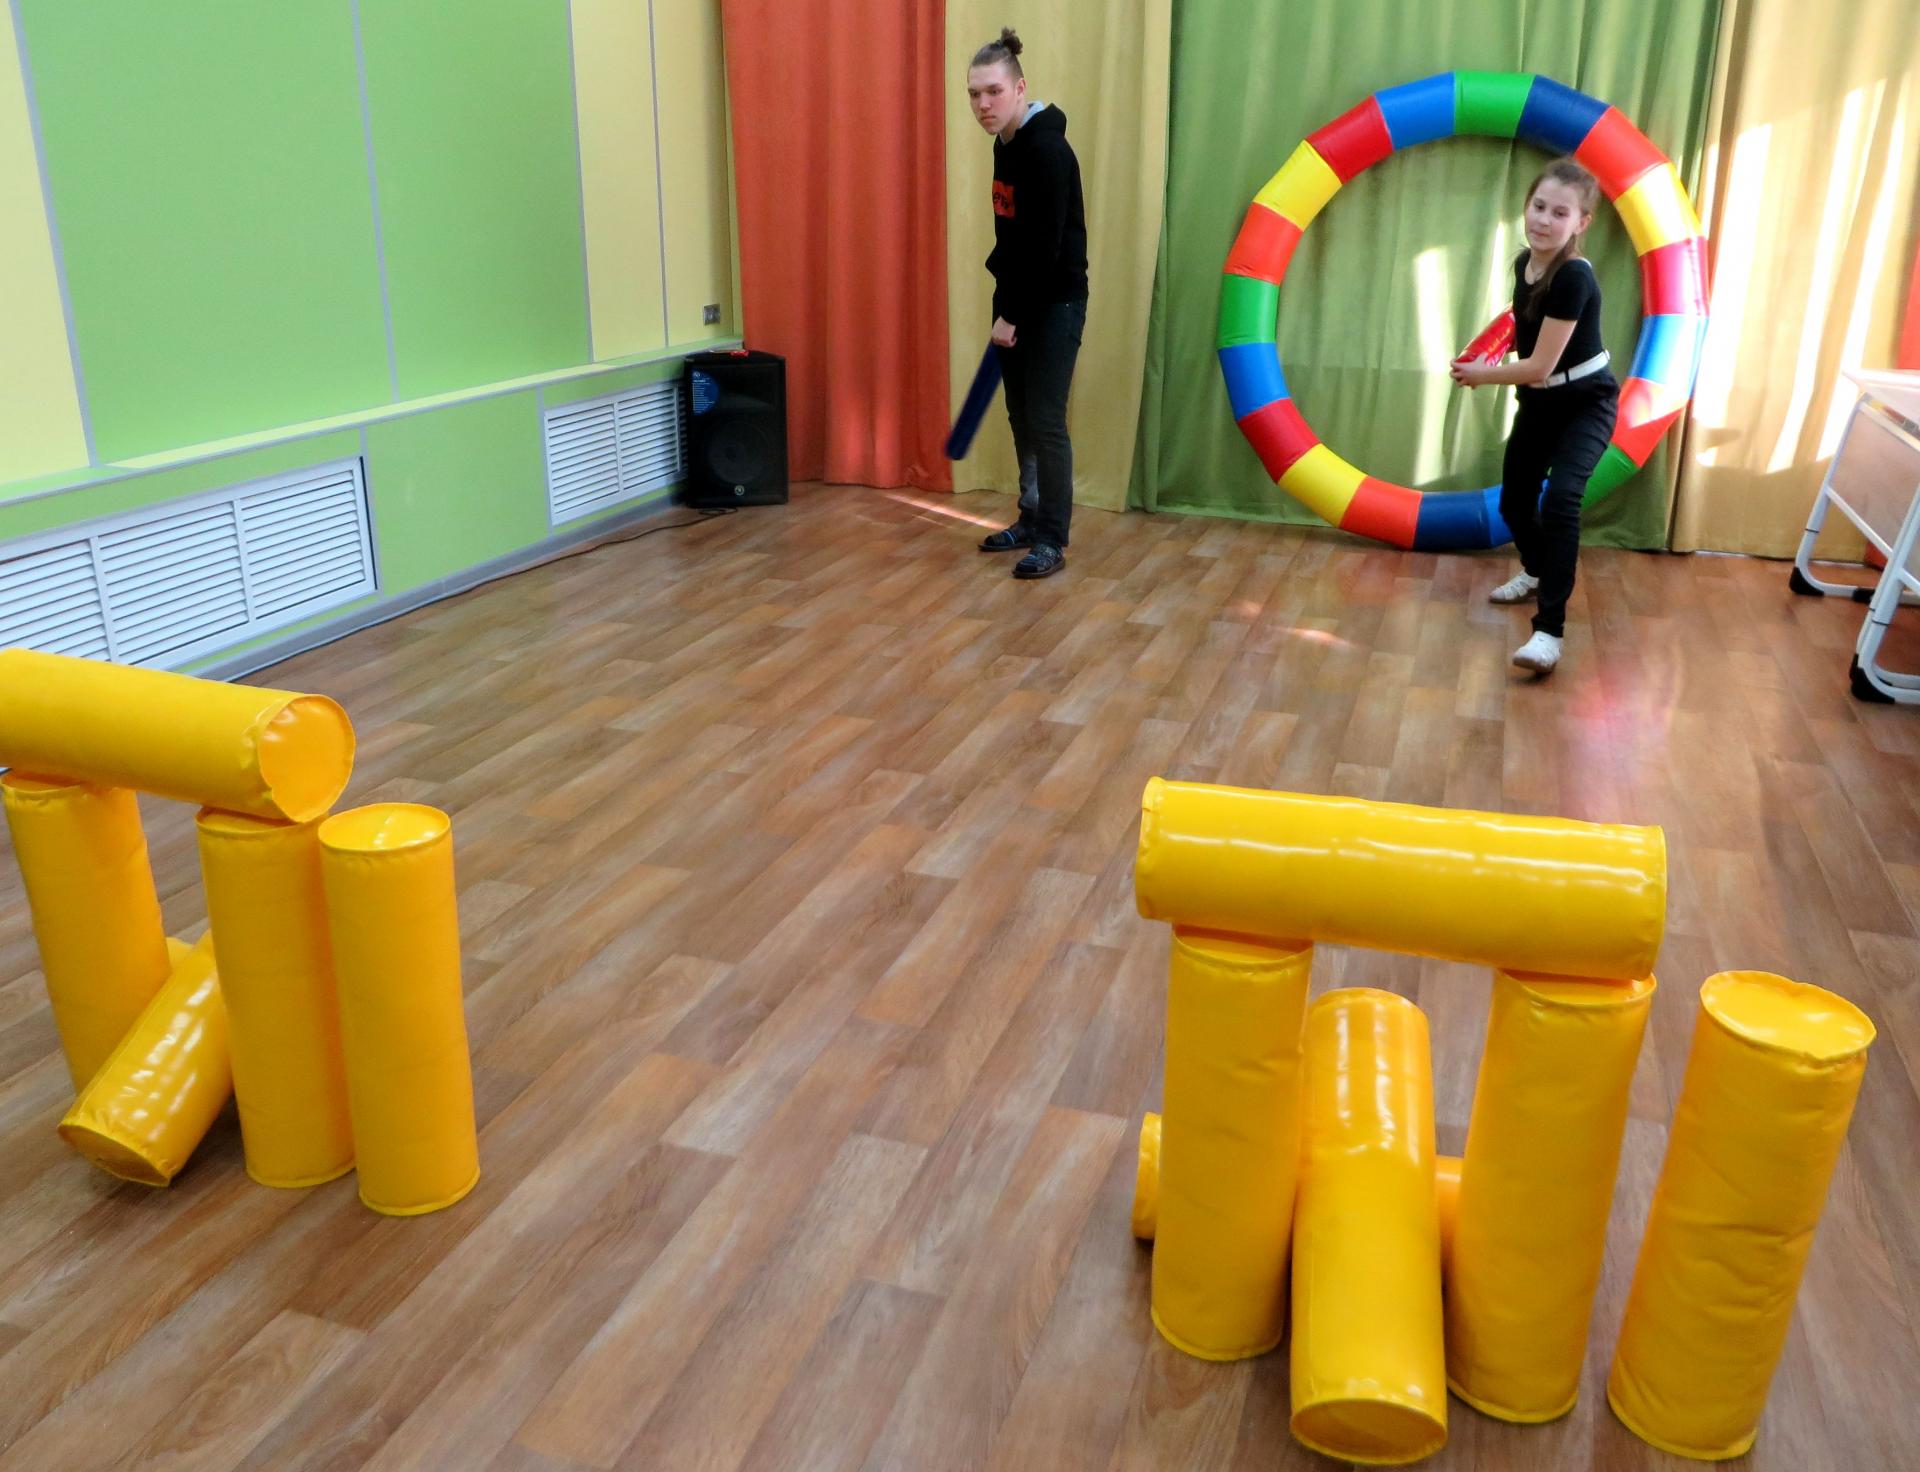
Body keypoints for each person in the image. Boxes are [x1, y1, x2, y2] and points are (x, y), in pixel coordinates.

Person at [1451, 158, 1617, 676]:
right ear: (1526, 207)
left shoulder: (1574, 277)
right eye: (1538, 206)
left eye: (1560, 213)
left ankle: (1549, 631)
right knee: (1515, 502)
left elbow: (1541, 364)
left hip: (1586, 403)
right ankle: (1536, 570)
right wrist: (1487, 349)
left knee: (1562, 499)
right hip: (1541, 403)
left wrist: (1481, 376)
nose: (1544, 220)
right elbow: (1523, 324)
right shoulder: (1526, 263)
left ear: (1581, 223)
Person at [966, 28, 1089, 580]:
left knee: (1045, 420)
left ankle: (1051, 538)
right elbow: (1013, 236)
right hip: (1017, 297)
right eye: (974, 94)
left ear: (1020, 89)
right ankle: (1031, 516)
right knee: (1020, 415)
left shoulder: (1048, 151)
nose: (983, 104)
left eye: (993, 91)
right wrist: (1006, 301)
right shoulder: (1006, 146)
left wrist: (1010, 316)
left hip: (1055, 303)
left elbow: (1045, 250)